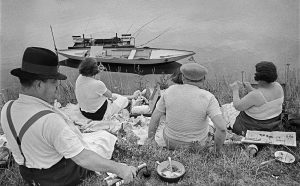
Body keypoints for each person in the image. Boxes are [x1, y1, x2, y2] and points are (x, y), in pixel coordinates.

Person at [0, 47, 137, 185]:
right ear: (39, 85)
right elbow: (83, 158)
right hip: (57, 176)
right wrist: (121, 169)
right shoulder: (50, 120)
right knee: (103, 140)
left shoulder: (7, 108)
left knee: (95, 138)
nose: (57, 88)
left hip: (28, 174)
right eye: (54, 83)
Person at [147, 63, 226, 152]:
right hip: (196, 146)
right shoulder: (209, 97)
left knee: (165, 122)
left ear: (183, 78)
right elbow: (222, 128)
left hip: (170, 142)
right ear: (203, 79)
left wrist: (151, 139)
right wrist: (216, 149)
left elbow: (155, 116)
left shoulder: (169, 91)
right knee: (211, 127)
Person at [230, 61, 284, 136]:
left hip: (254, 126)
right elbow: (263, 98)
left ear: (258, 76)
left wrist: (235, 90)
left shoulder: (255, 95)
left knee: (228, 108)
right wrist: (250, 88)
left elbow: (237, 106)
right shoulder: (278, 87)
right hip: (273, 124)